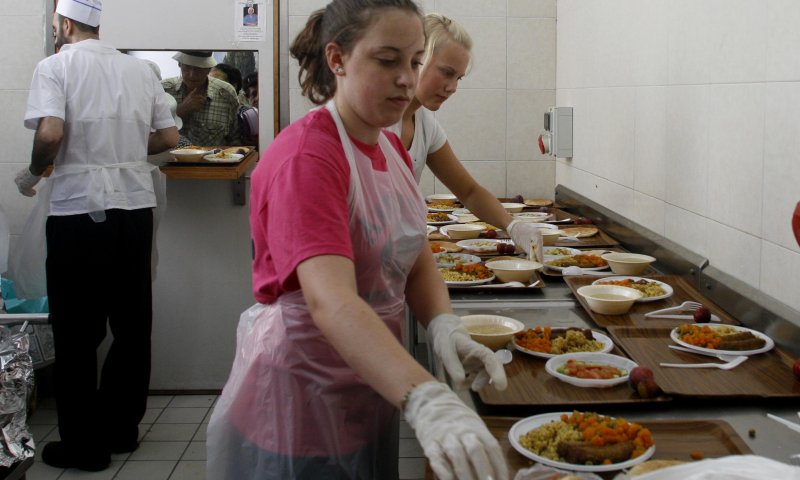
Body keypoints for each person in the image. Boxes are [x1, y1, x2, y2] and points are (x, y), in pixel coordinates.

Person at [206, 1, 508, 479]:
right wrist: (424, 395)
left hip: (370, 383)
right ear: (337, 59)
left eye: (413, 62)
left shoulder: (385, 143)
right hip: (302, 400)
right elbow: (332, 302)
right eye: (387, 61)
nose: (407, 79)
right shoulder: (309, 157)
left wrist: (443, 323)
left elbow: (415, 253)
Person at [13, 0, 178, 471]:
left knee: (77, 331)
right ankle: (121, 429)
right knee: (131, 325)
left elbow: (50, 132)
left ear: (65, 24)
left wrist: (32, 172)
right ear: (97, 22)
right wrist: (124, 147)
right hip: (133, 208)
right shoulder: (141, 70)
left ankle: (84, 446)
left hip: (78, 210)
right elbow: (168, 140)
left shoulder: (54, 66)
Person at [388, 13, 542, 255]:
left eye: (458, 77)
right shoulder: (376, 123)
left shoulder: (425, 124)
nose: (452, 88)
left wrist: (512, 225)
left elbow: (469, 191)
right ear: (417, 59)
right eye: (446, 73)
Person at [162, 50, 241, 146]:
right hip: (169, 160)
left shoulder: (226, 93)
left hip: (214, 160)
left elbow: (234, 139)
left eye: (198, 68)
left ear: (209, 69)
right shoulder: (163, 90)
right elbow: (150, 134)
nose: (192, 74)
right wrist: (180, 111)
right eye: (187, 67)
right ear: (179, 64)